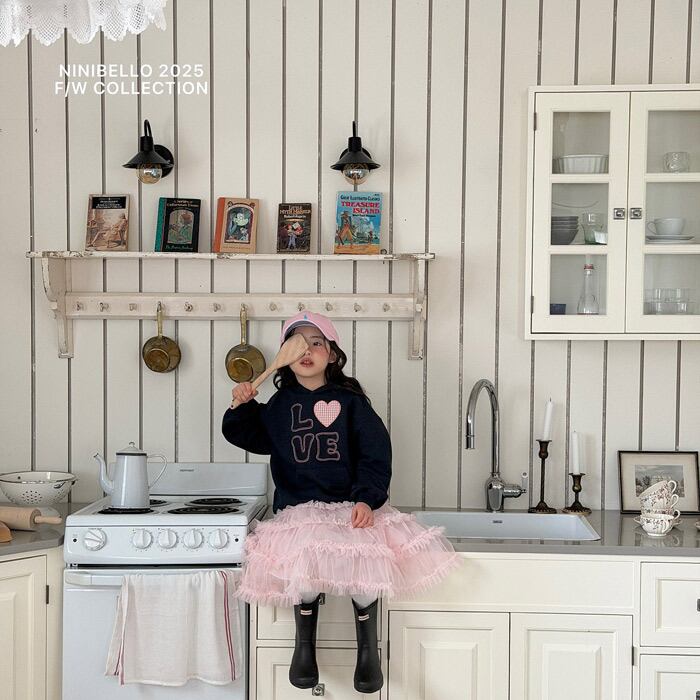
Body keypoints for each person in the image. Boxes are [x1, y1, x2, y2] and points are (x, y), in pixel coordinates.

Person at [222, 312, 459, 693]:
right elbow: (247, 435)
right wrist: (243, 405)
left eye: (316, 343)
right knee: (303, 575)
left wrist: (367, 498)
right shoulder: (279, 406)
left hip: (350, 508)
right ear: (286, 355)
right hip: (300, 511)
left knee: (365, 571)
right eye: (298, 344)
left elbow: (375, 455)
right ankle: (304, 646)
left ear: (332, 354)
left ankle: (368, 650)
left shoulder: (351, 404)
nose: (307, 351)